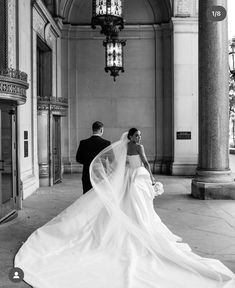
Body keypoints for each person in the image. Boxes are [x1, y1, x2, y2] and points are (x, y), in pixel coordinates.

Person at [14, 129, 235, 288]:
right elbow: (146, 164)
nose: (139, 137)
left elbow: (118, 165)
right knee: (138, 205)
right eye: (136, 135)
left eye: (139, 135)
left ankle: (139, 223)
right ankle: (140, 226)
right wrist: (152, 178)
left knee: (134, 204)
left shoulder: (125, 146)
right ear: (131, 137)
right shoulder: (138, 147)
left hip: (131, 177)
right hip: (137, 177)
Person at [76, 121, 111, 193]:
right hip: (100, 174)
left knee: (87, 194)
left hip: (87, 173)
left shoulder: (83, 142)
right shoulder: (106, 143)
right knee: (99, 195)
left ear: (92, 129)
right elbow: (110, 159)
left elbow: (78, 159)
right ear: (101, 130)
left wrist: (88, 162)